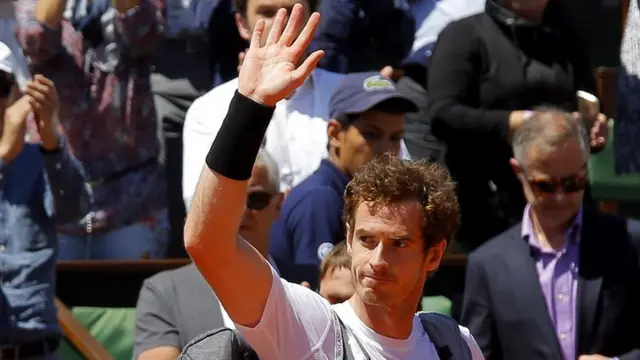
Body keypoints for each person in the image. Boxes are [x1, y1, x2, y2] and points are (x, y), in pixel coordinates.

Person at [184, 5, 484, 359]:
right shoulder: (310, 327)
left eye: (399, 244)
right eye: (366, 239)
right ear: (349, 237)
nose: (377, 260)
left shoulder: (454, 343)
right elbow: (209, 243)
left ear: (433, 256)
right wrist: (252, 106)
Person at [424, 0, 609, 251]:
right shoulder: (464, 34)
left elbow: (586, 104)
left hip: (564, 199)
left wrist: (593, 128)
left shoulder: (566, 39)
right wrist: (513, 123)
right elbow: (443, 115)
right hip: (487, 199)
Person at [461, 108, 640, 360]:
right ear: (518, 172)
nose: (560, 197)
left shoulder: (629, 242)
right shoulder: (488, 266)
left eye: (572, 183)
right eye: (544, 185)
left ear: (585, 170)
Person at [15, 0, 169, 259]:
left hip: (132, 201)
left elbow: (142, 30)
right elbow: (35, 38)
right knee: (59, 297)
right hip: (59, 197)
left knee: (135, 295)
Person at [135, 149, 319, 360]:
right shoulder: (164, 292)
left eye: (255, 199)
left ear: (278, 204)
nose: (241, 210)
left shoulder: (311, 282)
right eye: (228, 199)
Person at [0, 42, 91, 360]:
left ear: (15, 95)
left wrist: (51, 141)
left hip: (35, 350)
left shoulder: (40, 160)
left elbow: (74, 212)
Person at [269, 71, 416, 266]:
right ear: (335, 134)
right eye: (371, 135)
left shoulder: (349, 196)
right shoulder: (321, 200)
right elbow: (324, 293)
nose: (387, 151)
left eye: (395, 138)